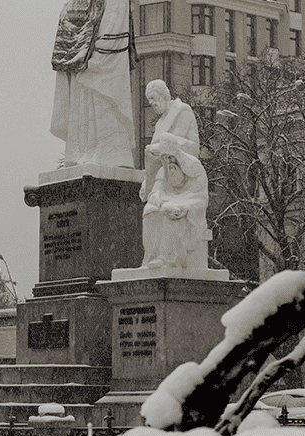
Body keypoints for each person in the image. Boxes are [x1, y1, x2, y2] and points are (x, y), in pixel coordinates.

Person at [50, 0, 136, 168]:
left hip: (100, 64)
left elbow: (115, 22)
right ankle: (82, 153)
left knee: (103, 111)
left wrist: (98, 58)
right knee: (82, 114)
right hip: (81, 63)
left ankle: (108, 154)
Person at [139, 80, 208, 270]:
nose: (152, 103)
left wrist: (170, 146)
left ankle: (168, 258)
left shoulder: (182, 111)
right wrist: (149, 182)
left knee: (170, 213)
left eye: (154, 98)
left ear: (164, 94)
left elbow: (193, 147)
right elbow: (157, 170)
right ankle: (152, 256)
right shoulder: (160, 123)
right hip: (166, 173)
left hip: (183, 172)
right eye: (149, 100)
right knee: (150, 210)